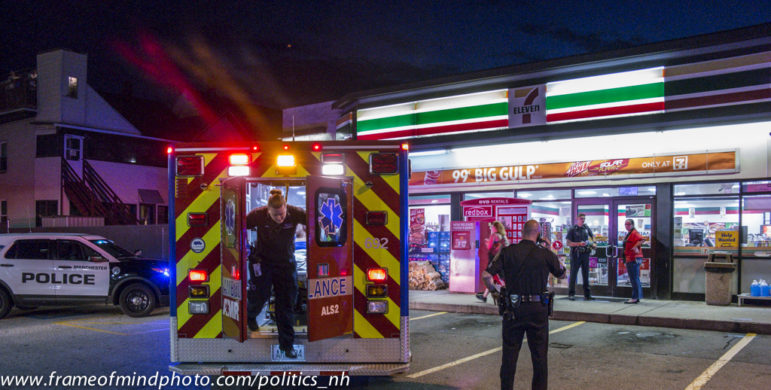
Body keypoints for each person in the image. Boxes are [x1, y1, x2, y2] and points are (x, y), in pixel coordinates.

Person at [488, 220, 566, 390]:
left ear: (523, 232)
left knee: (509, 356)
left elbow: (486, 275)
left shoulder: (508, 251)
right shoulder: (545, 253)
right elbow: (562, 273)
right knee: (539, 357)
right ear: (537, 233)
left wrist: (493, 291)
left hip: (513, 309)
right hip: (538, 310)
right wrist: (550, 250)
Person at [246, 188, 307, 359]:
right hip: (262, 261)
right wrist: (242, 247)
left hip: (285, 263)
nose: (279, 218)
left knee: (286, 303)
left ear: (286, 207)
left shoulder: (295, 213)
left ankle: (287, 346)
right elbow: (237, 226)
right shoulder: (257, 215)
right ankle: (250, 316)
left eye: (281, 214)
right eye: (275, 215)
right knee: (260, 295)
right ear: (268, 211)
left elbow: (316, 219)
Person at [476, 221, 509, 304]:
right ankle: (484, 296)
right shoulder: (503, 236)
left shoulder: (494, 235)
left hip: (494, 260)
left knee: (491, 276)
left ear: (495, 228)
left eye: (492, 227)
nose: (490, 228)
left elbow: (490, 247)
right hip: (501, 260)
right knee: (494, 278)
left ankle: (503, 293)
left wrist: (487, 241)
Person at [566, 213, 595, 301]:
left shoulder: (586, 228)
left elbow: (593, 237)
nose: (583, 220)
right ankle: (571, 294)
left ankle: (587, 295)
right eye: (581, 218)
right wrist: (578, 244)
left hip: (585, 253)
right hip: (576, 254)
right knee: (573, 274)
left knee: (586, 274)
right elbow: (568, 243)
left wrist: (593, 243)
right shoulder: (572, 229)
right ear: (577, 219)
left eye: (584, 219)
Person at [623, 219, 644, 304]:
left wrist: (635, 247)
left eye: (628, 224)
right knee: (635, 278)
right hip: (631, 258)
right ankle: (637, 296)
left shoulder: (634, 233)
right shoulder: (630, 233)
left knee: (634, 278)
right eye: (625, 224)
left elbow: (642, 240)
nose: (626, 226)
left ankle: (635, 298)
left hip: (633, 258)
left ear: (632, 225)